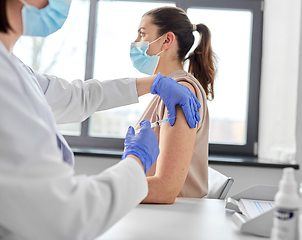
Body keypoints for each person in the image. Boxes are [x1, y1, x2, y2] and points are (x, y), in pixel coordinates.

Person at [0, 0, 201, 239]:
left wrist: (151, 84)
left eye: (142, 34)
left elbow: (78, 96)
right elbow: (64, 215)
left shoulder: (13, 68)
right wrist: (136, 162)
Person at [130, 6, 217, 204]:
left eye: (142, 34)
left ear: (167, 40)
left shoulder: (181, 94)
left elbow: (165, 188)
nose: (135, 42)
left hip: (174, 221)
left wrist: (103, 191)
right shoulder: (166, 90)